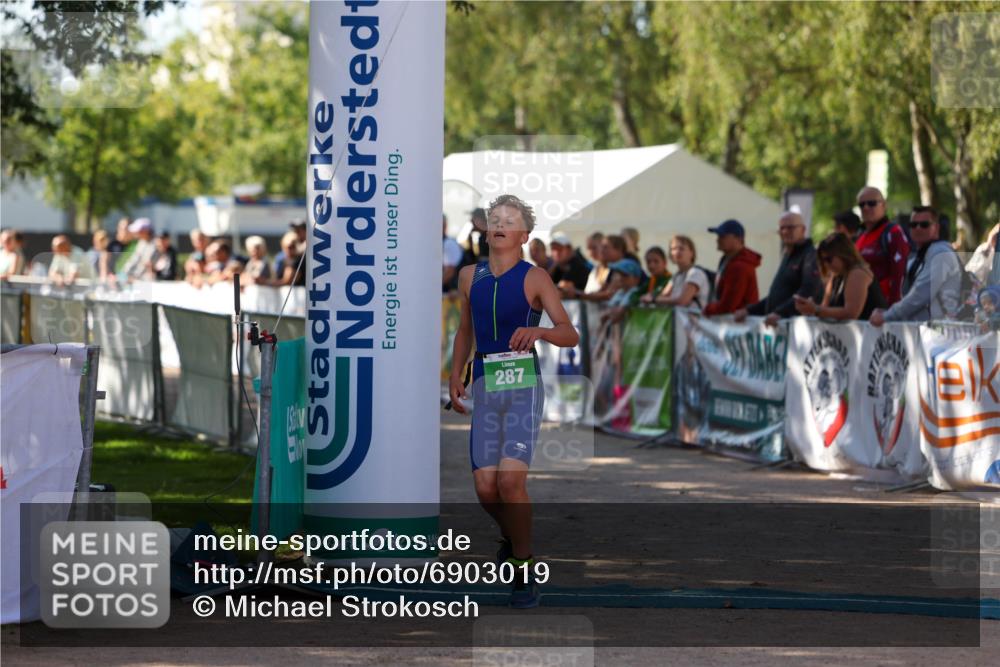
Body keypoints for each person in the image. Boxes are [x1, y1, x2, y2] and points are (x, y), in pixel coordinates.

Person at [449, 194, 578, 609]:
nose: (500, 225)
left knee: (509, 482)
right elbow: (465, 330)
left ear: (524, 235)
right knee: (486, 488)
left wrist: (540, 333)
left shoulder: (536, 277)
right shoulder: (470, 275)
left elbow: (569, 332)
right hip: (487, 380)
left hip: (523, 383)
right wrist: (455, 373)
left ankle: (524, 568)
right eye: (494, 219)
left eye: (510, 220)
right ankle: (514, 537)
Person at [870, 206, 962, 326]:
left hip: (943, 334)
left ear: (936, 228)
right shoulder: (919, 255)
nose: (918, 228)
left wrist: (887, 316)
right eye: (913, 225)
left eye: (924, 224)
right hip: (924, 333)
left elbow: (920, 295)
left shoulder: (940, 253)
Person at [734, 212, 821, 327]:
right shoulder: (788, 255)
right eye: (781, 228)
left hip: (796, 331)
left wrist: (781, 313)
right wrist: (749, 311)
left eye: (790, 228)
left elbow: (808, 291)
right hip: (779, 328)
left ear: (803, 230)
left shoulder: (810, 255)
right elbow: (777, 294)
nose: (785, 232)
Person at [794, 233, 885, 321]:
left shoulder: (858, 273)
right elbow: (825, 309)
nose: (826, 264)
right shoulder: (836, 276)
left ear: (843, 254)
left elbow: (851, 313)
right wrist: (810, 309)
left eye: (829, 259)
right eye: (822, 260)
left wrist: (816, 309)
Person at [854, 186, 909, 306]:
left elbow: (900, 273)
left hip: (883, 308)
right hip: (860, 306)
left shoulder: (893, 232)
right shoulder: (859, 236)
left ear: (883, 205)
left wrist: (893, 308)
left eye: (871, 203)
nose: (866, 207)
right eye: (862, 205)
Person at [703, 219, 761, 316]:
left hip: (739, 325)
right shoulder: (728, 260)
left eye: (722, 236)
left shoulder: (739, 266)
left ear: (738, 239)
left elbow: (728, 305)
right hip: (735, 323)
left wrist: (707, 309)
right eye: (718, 236)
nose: (718, 239)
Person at [649, 235, 711, 308]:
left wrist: (654, 299)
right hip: (677, 317)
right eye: (673, 249)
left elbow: (682, 301)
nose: (677, 252)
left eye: (681, 249)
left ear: (692, 253)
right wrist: (653, 297)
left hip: (692, 318)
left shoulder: (696, 273)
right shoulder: (676, 276)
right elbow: (663, 295)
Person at [443, 214, 464, 293]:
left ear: (445, 225)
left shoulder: (448, 243)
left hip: (450, 294)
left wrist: (433, 287)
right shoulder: (442, 242)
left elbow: (449, 271)